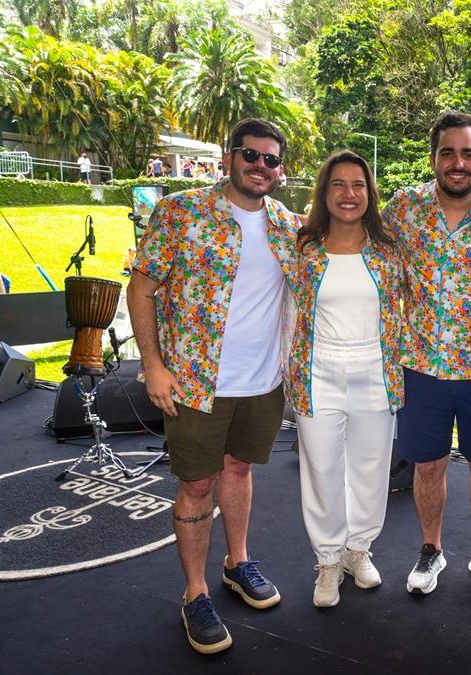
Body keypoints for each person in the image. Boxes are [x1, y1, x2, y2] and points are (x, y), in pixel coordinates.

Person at [127, 118, 299, 654]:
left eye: (271, 159)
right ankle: (195, 592)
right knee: (197, 484)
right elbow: (141, 289)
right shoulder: (181, 212)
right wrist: (153, 364)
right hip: (198, 383)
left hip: (264, 382)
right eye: (251, 155)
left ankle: (237, 562)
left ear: (281, 170)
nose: (260, 166)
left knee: (239, 469)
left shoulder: (287, 225)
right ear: (229, 157)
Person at [382, 111, 471, 597]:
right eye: (448, 153)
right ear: (434, 157)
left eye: (468, 153)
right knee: (428, 465)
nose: (458, 163)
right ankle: (431, 550)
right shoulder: (404, 208)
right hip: (421, 366)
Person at [288, 150, 405, 608]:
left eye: (358, 185)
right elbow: (289, 312)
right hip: (319, 375)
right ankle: (328, 560)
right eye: (338, 184)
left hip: (375, 372)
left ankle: (359, 550)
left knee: (371, 470)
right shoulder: (303, 249)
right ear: (324, 192)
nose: (349, 194)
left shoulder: (390, 250)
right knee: (321, 471)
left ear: (370, 194)